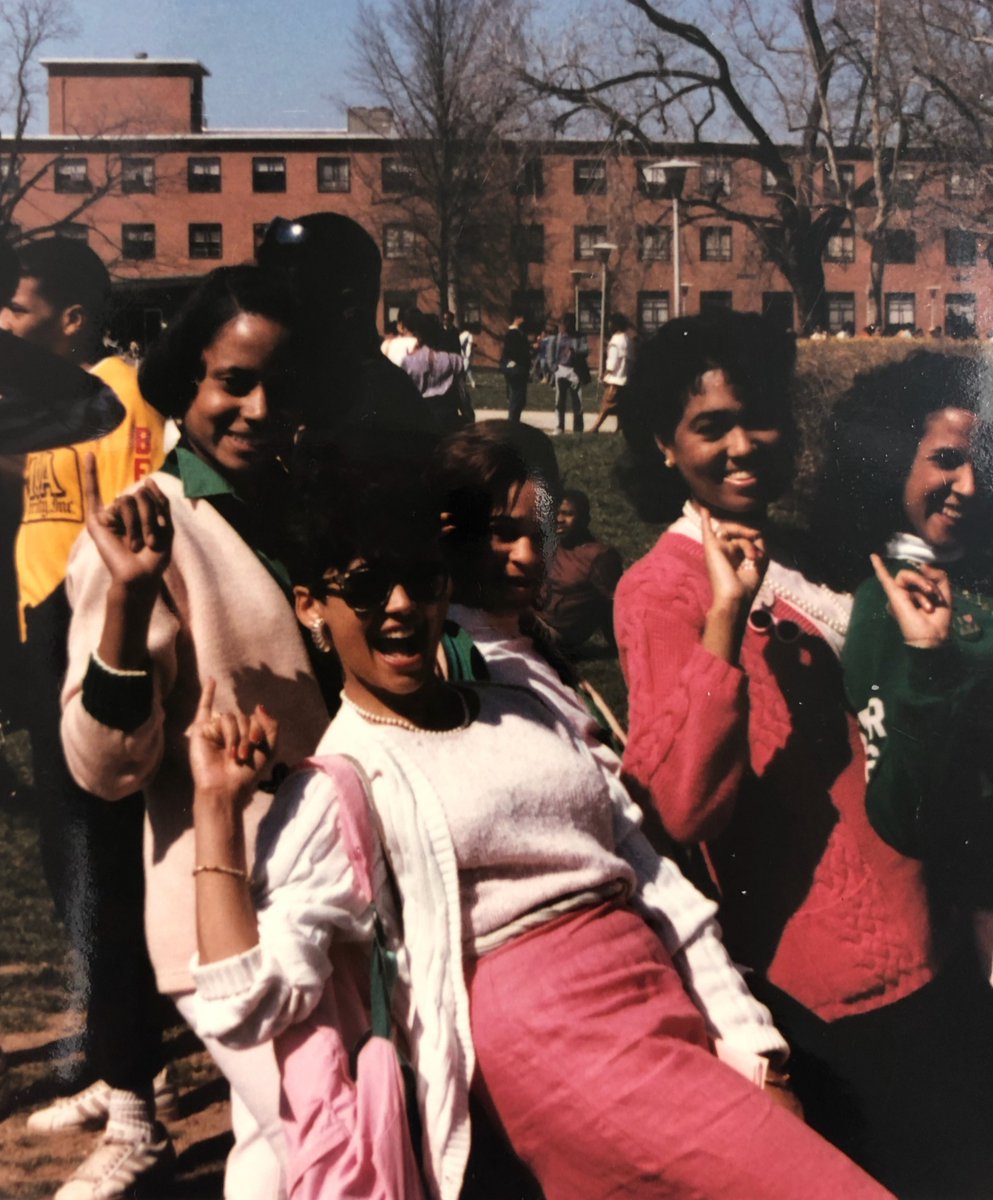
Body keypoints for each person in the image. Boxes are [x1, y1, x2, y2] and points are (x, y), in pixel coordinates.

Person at [184, 436, 889, 1200]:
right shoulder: (343, 783)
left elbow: (652, 879)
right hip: (558, 1050)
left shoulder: (518, 703)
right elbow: (248, 1007)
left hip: (663, 1002)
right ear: (310, 608)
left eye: (417, 580)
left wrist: (754, 1048)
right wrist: (216, 813)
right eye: (362, 588)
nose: (396, 608)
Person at [613, 310, 969, 1196]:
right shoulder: (659, 591)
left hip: (930, 937)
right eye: (709, 426)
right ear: (663, 445)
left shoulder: (810, 556)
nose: (741, 446)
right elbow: (682, 808)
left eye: (758, 416)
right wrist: (724, 624)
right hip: (821, 984)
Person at [59, 266, 333, 1200]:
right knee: (313, 1136)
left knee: (304, 1143)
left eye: (280, 386)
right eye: (233, 382)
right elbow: (103, 767)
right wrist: (131, 605)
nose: (258, 409)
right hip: (230, 913)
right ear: (185, 384)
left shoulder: (302, 509)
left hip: (339, 895)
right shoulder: (148, 527)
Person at [1, 237, 175, 1199]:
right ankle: (116, 1071)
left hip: (94, 654)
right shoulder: (41, 404)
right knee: (68, 870)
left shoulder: (121, 398)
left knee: (106, 876)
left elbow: (134, 526)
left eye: (18, 308)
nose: (4, 324)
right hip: (37, 649)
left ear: (70, 315)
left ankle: (139, 1110)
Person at [825, 359, 993, 1176]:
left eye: (982, 461)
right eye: (943, 459)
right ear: (895, 459)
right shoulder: (884, 606)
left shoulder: (982, 581)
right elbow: (901, 813)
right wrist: (929, 665)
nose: (965, 483)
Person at [257, 213, 437, 435]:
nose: (271, 309)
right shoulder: (317, 387)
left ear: (348, 306)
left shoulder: (371, 405)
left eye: (292, 295)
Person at [538, 488, 623, 652]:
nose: (559, 519)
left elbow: (613, 604)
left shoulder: (599, 556)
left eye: (568, 514)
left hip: (555, 633)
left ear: (585, 519)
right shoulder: (551, 545)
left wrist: (619, 645)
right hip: (529, 618)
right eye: (556, 513)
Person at [397, 308, 473, 430]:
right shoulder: (455, 361)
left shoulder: (408, 362)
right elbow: (463, 398)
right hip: (448, 422)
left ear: (419, 336)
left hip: (420, 424)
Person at [590, 312, 632, 433]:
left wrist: (605, 374)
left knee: (606, 405)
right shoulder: (627, 340)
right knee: (621, 407)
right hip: (625, 379)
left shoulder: (614, 341)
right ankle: (619, 428)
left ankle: (595, 428)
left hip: (615, 379)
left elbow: (612, 363)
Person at [554, 313, 585, 434]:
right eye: (564, 324)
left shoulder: (579, 337)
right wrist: (554, 368)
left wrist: (576, 351)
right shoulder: (559, 337)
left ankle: (578, 428)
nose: (565, 327)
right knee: (559, 401)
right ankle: (559, 427)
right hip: (561, 369)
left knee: (577, 401)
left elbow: (585, 351)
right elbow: (554, 351)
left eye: (567, 324)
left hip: (574, 371)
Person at [500, 312, 530, 423]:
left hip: (520, 369)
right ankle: (512, 423)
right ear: (517, 318)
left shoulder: (518, 333)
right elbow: (513, 351)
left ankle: (514, 421)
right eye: (522, 318)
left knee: (520, 399)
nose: (524, 320)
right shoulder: (513, 334)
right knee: (517, 398)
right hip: (516, 369)